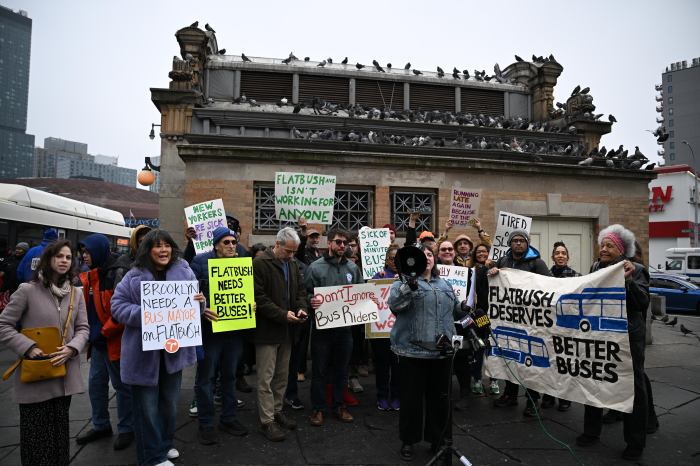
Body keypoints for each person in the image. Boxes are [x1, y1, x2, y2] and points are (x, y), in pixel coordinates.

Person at [111, 229, 211, 466]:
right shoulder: (133, 275)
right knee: (146, 409)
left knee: (168, 405)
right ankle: (151, 457)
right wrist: (146, 314)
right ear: (148, 249)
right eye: (157, 246)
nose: (163, 250)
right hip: (143, 356)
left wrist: (200, 302)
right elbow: (117, 306)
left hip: (173, 353)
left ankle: (165, 445)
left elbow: (195, 303)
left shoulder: (185, 270)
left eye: (167, 245)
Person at [0, 240, 89, 466]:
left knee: (60, 436)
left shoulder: (77, 294)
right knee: (36, 440)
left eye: (68, 257)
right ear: (48, 259)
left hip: (64, 375)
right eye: (59, 256)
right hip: (37, 376)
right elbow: (4, 325)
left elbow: (83, 328)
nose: (64, 261)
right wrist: (27, 346)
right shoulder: (27, 290)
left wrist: (72, 348)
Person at [575, 224, 650, 461]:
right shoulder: (596, 267)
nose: (604, 249)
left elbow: (642, 302)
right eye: (602, 245)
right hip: (599, 333)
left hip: (628, 336)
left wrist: (627, 281)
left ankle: (635, 443)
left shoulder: (636, 269)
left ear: (621, 249)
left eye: (610, 246)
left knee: (632, 386)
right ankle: (591, 431)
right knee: (594, 378)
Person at [388, 244, 467, 462]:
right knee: (412, 401)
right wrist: (409, 285)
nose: (427, 258)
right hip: (412, 352)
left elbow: (454, 310)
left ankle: (437, 440)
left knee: (440, 401)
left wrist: (467, 307)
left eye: (430, 254)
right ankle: (408, 440)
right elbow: (394, 305)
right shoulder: (402, 282)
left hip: (441, 353)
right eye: (422, 255)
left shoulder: (445, 284)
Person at [189, 227, 249, 445]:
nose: (232, 246)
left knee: (230, 376)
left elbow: (246, 290)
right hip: (210, 331)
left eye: (234, 242)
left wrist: (249, 304)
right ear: (216, 245)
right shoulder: (199, 262)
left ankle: (228, 418)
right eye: (226, 242)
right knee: (206, 378)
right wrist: (202, 308)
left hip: (234, 330)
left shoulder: (242, 261)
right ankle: (206, 423)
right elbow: (189, 295)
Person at [76, 234, 134, 450]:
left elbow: (122, 310)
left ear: (98, 251)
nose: (84, 255)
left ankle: (127, 428)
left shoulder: (119, 272)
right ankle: (101, 425)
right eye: (83, 252)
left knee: (122, 386)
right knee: (96, 385)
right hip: (99, 342)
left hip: (114, 341)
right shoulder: (91, 274)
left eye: (87, 251)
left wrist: (104, 332)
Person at [252, 227, 308, 441]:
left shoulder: (292, 264)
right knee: (266, 377)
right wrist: (283, 315)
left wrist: (302, 308)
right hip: (268, 330)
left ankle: (276, 410)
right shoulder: (259, 264)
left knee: (282, 375)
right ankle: (267, 421)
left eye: (294, 252)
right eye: (288, 251)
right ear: (277, 244)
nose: (292, 256)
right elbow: (260, 298)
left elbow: (301, 291)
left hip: (287, 330)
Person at [488, 229, 551, 417]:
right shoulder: (503, 261)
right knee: (510, 358)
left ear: (527, 243)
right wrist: (493, 272)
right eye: (514, 240)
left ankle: (533, 401)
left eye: (521, 241)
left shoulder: (537, 263)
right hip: (509, 319)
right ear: (510, 243)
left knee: (530, 364)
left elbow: (549, 285)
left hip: (530, 321)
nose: (517, 244)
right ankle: (510, 394)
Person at [305, 228, 364, 426]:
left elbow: (359, 293)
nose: (342, 246)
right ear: (329, 243)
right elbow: (304, 293)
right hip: (322, 330)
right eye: (338, 242)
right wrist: (310, 300)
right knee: (320, 370)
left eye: (345, 243)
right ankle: (318, 409)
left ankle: (339, 405)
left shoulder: (352, 269)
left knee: (342, 369)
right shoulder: (315, 268)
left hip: (344, 330)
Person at [539, 241, 581, 412]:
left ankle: (565, 398)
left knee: (565, 364)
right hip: (549, 327)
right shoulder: (545, 276)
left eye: (563, 253)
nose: (560, 256)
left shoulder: (577, 276)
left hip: (567, 327)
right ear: (553, 256)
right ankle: (549, 395)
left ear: (568, 257)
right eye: (557, 253)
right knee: (550, 363)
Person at [371, 245, 400, 411]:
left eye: (398, 259)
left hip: (401, 333)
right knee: (382, 366)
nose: (395, 262)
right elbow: (369, 295)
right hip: (381, 332)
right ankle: (382, 396)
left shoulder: (407, 277)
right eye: (391, 259)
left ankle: (396, 396)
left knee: (398, 367)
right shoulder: (378, 277)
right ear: (386, 260)